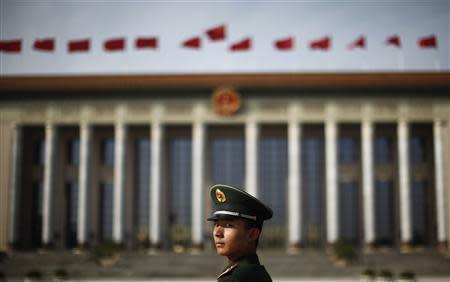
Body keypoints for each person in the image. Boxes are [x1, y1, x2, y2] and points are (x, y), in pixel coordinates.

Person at [207, 184, 273, 282]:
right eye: (216, 225)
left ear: (252, 234)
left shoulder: (233, 278)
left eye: (229, 225)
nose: (218, 233)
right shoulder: (258, 273)